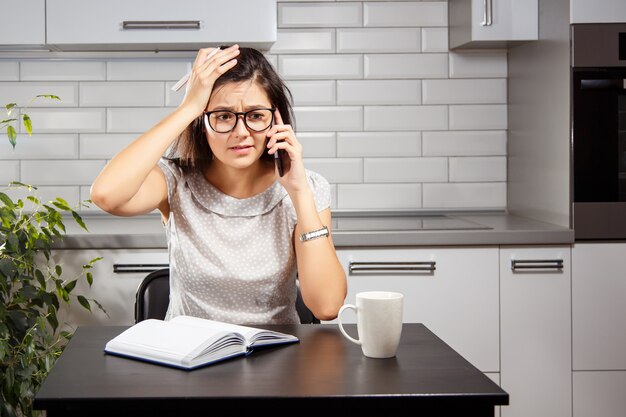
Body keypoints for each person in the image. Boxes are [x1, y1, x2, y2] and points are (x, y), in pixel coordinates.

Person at [90, 45, 347, 325]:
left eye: (256, 115)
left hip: (275, 355)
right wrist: (188, 107)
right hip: (188, 357)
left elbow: (327, 306)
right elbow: (106, 195)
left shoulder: (307, 187)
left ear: (276, 119)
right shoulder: (176, 181)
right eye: (223, 116)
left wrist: (299, 192)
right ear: (202, 122)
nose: (241, 133)